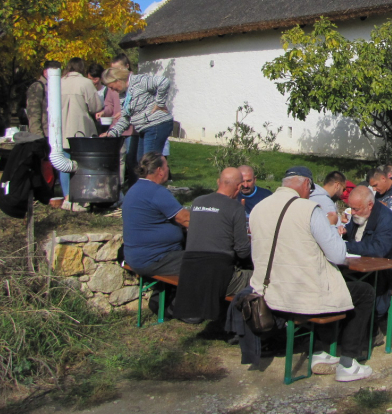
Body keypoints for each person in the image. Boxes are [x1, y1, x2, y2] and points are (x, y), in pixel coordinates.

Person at [249, 173, 375, 382]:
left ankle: (320, 350)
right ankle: (348, 363)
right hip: (301, 294)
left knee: (330, 287)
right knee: (363, 292)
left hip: (269, 291)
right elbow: (337, 254)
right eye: (311, 189)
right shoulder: (309, 210)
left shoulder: (259, 207)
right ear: (306, 184)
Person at [175, 168, 251, 322]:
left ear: (219, 182)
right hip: (217, 273)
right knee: (258, 278)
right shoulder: (235, 208)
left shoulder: (198, 202)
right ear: (238, 188)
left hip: (190, 270)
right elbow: (242, 251)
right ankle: (242, 323)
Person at [122, 152, 190, 312]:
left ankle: (160, 301)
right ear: (160, 170)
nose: (168, 170)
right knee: (204, 261)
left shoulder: (136, 189)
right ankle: (186, 308)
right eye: (167, 166)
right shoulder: (156, 191)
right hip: (154, 258)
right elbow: (186, 219)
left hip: (137, 255)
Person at [341, 185, 392, 317]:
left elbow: (378, 250)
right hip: (359, 266)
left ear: (369, 205)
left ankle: (372, 325)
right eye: (351, 208)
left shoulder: (386, 218)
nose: (353, 212)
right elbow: (352, 234)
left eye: (356, 209)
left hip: (383, 271)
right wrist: (344, 233)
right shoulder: (358, 214)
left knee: (363, 290)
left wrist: (346, 245)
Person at [101, 66, 174, 166]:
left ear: (117, 80)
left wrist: (160, 103)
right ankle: (148, 180)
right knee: (141, 162)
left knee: (148, 163)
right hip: (144, 128)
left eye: (111, 86)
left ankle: (154, 180)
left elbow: (163, 82)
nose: (111, 90)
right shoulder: (123, 94)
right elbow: (125, 118)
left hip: (156, 124)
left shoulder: (139, 81)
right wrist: (111, 133)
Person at [60, 58, 103, 199]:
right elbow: (95, 106)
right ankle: (83, 193)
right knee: (83, 163)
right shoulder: (86, 83)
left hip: (61, 129)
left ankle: (67, 195)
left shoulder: (59, 82)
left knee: (63, 163)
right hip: (81, 128)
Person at [109, 55, 137, 187]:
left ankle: (133, 188)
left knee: (132, 159)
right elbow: (109, 104)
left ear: (126, 67)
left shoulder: (135, 82)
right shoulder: (112, 84)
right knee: (117, 160)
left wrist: (127, 110)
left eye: (118, 69)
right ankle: (118, 188)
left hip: (132, 128)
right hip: (118, 126)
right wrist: (104, 112)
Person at [26, 60, 61, 138]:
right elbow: (33, 115)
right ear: (45, 72)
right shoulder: (38, 87)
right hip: (44, 135)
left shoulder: (58, 86)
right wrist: (38, 138)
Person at [88, 62, 121, 133]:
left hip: (105, 126)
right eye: (90, 79)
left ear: (100, 79)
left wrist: (103, 113)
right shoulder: (87, 91)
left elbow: (110, 107)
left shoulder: (108, 90)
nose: (92, 82)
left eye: (95, 79)